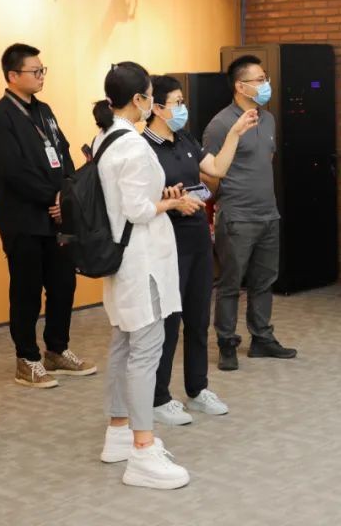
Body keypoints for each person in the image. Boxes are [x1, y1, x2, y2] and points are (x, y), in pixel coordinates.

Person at [93, 63, 198, 489]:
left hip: (124, 261)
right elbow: (138, 209)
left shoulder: (106, 137)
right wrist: (172, 203)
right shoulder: (134, 146)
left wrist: (161, 197)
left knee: (124, 344)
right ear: (138, 99)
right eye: (151, 95)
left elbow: (127, 199)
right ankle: (142, 449)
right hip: (142, 261)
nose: (153, 102)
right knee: (145, 352)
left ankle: (118, 430)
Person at [143, 75, 258, 426]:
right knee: (169, 322)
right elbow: (138, 200)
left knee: (197, 319)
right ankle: (158, 397)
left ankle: (197, 389)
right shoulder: (143, 147)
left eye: (182, 101)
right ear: (156, 108)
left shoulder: (185, 138)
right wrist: (168, 201)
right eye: (176, 102)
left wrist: (235, 133)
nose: (183, 108)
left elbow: (216, 169)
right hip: (167, 243)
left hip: (196, 239)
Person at [0, 43, 95, 388]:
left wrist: (67, 194)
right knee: (27, 290)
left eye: (43, 70)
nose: (42, 76)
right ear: (13, 76)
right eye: (35, 71)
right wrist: (52, 196)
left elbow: (64, 153)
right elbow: (13, 171)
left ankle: (56, 350)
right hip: (24, 221)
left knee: (64, 285)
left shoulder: (44, 111)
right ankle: (27, 358)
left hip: (57, 217)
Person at [203, 55, 297, 372]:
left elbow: (265, 161)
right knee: (231, 283)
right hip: (237, 216)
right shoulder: (220, 124)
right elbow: (208, 172)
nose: (265, 84)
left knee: (264, 281)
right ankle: (226, 343)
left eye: (265, 78)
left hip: (268, 214)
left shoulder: (267, 119)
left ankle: (262, 338)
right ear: (240, 86)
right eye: (259, 80)